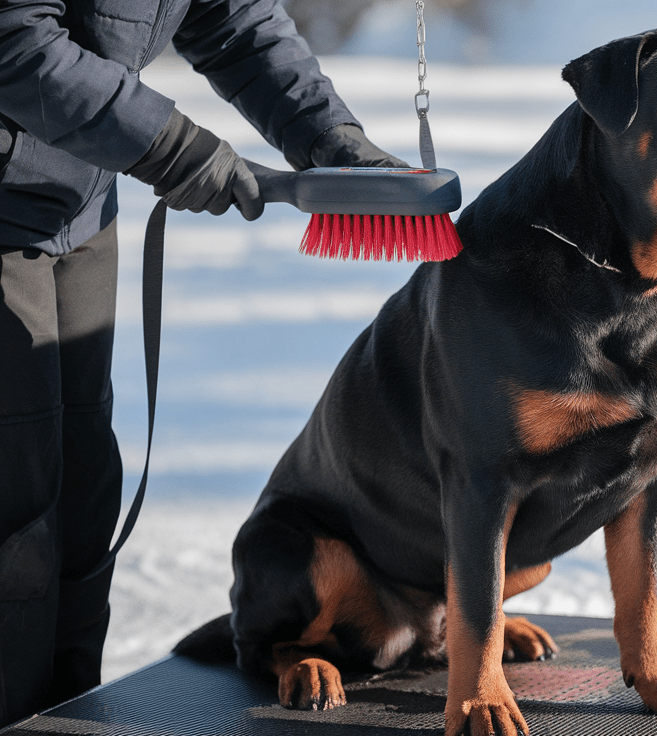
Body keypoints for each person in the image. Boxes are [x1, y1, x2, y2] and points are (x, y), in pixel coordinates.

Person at [0, 0, 407, 726]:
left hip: (80, 197)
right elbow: (14, 38)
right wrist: (174, 146)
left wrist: (330, 138)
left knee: (84, 488)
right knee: (17, 498)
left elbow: (233, 20)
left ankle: (64, 718)